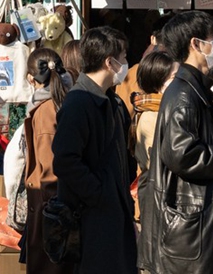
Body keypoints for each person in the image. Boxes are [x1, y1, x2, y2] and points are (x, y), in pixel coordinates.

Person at [137, 10, 213, 274]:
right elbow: (183, 155)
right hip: (190, 232)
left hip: (199, 227)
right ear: (195, 44)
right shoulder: (184, 94)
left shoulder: (195, 89)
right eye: (211, 39)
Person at [51, 26, 137, 273]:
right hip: (91, 217)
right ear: (110, 62)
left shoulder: (110, 100)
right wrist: (98, 194)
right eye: (123, 57)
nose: (126, 63)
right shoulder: (79, 102)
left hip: (111, 212)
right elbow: (65, 161)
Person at [22, 48, 74, 273]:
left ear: (30, 78)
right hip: (63, 207)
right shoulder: (68, 99)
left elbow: (49, 171)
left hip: (50, 212)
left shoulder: (44, 111)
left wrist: (49, 208)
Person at [129, 50, 178, 226]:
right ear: (158, 82)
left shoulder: (165, 110)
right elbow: (163, 162)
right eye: (174, 77)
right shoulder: (152, 116)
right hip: (159, 196)